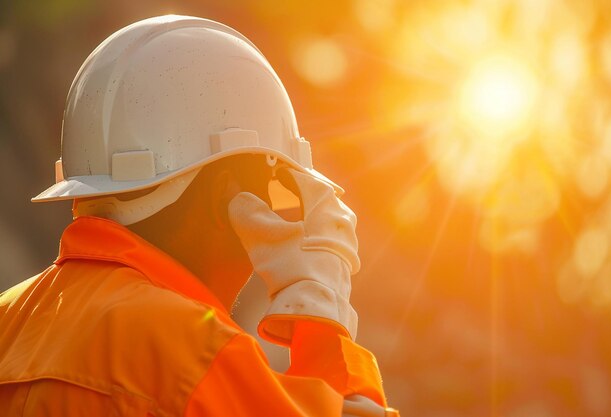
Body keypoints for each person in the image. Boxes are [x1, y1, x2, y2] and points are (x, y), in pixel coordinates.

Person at [0, 15, 399, 416]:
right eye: (270, 187)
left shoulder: (8, 320)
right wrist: (322, 319)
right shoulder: (195, 352)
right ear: (224, 195)